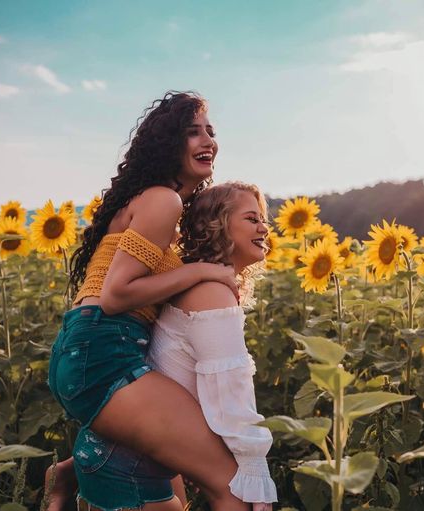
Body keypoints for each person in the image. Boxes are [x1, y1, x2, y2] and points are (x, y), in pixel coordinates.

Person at [47, 91, 254, 511]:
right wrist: (202, 271)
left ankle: (68, 473)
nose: (207, 141)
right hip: (105, 352)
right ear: (167, 143)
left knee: (170, 468)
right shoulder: (164, 199)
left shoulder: (160, 206)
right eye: (192, 132)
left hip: (93, 350)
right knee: (231, 483)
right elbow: (115, 296)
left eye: (210, 132)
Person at [72, 182, 277, 510]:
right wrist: (254, 465)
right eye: (252, 219)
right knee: (237, 493)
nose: (264, 228)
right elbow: (230, 391)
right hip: (129, 471)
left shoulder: (194, 287)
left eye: (264, 220)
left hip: (115, 458)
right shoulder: (211, 293)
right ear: (219, 224)